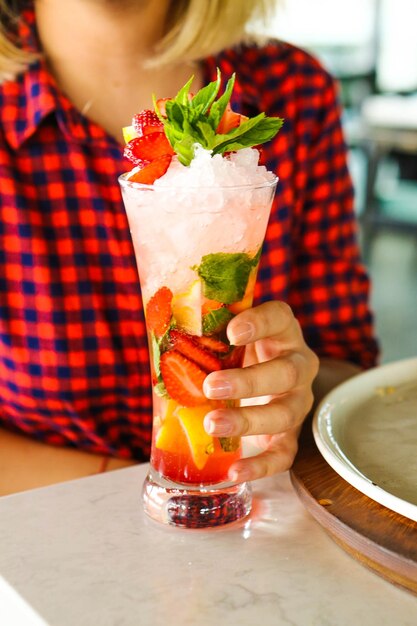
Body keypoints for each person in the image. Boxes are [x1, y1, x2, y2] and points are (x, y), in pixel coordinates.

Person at [0, 0, 378, 495]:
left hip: (254, 529)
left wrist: (292, 388)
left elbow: (347, 372)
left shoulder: (294, 89)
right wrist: (169, 484)